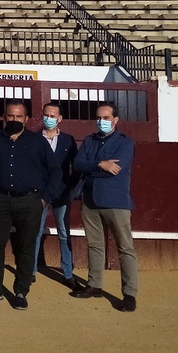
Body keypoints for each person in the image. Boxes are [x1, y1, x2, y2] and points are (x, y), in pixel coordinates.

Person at [0, 99, 61, 310]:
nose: (14, 119)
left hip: (30, 201)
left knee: (26, 247)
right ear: (4, 117)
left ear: (26, 118)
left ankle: (21, 291)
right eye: (11, 116)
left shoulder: (37, 142)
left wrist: (44, 198)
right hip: (0, 199)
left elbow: (55, 171)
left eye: (19, 116)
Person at [70, 101, 138, 312]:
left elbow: (116, 168)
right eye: (99, 118)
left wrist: (93, 167)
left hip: (115, 200)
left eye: (106, 118)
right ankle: (95, 285)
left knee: (125, 248)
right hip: (90, 199)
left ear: (115, 120)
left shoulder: (125, 143)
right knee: (95, 245)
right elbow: (78, 164)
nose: (101, 121)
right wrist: (100, 164)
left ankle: (129, 294)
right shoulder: (90, 140)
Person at [33, 101, 78, 290]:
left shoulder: (68, 140)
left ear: (59, 119)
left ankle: (68, 273)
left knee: (63, 232)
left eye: (52, 116)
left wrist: (71, 189)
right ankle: (31, 271)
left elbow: (75, 166)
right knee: (34, 233)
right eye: (46, 114)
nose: (48, 118)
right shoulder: (34, 139)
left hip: (61, 193)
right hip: (40, 193)